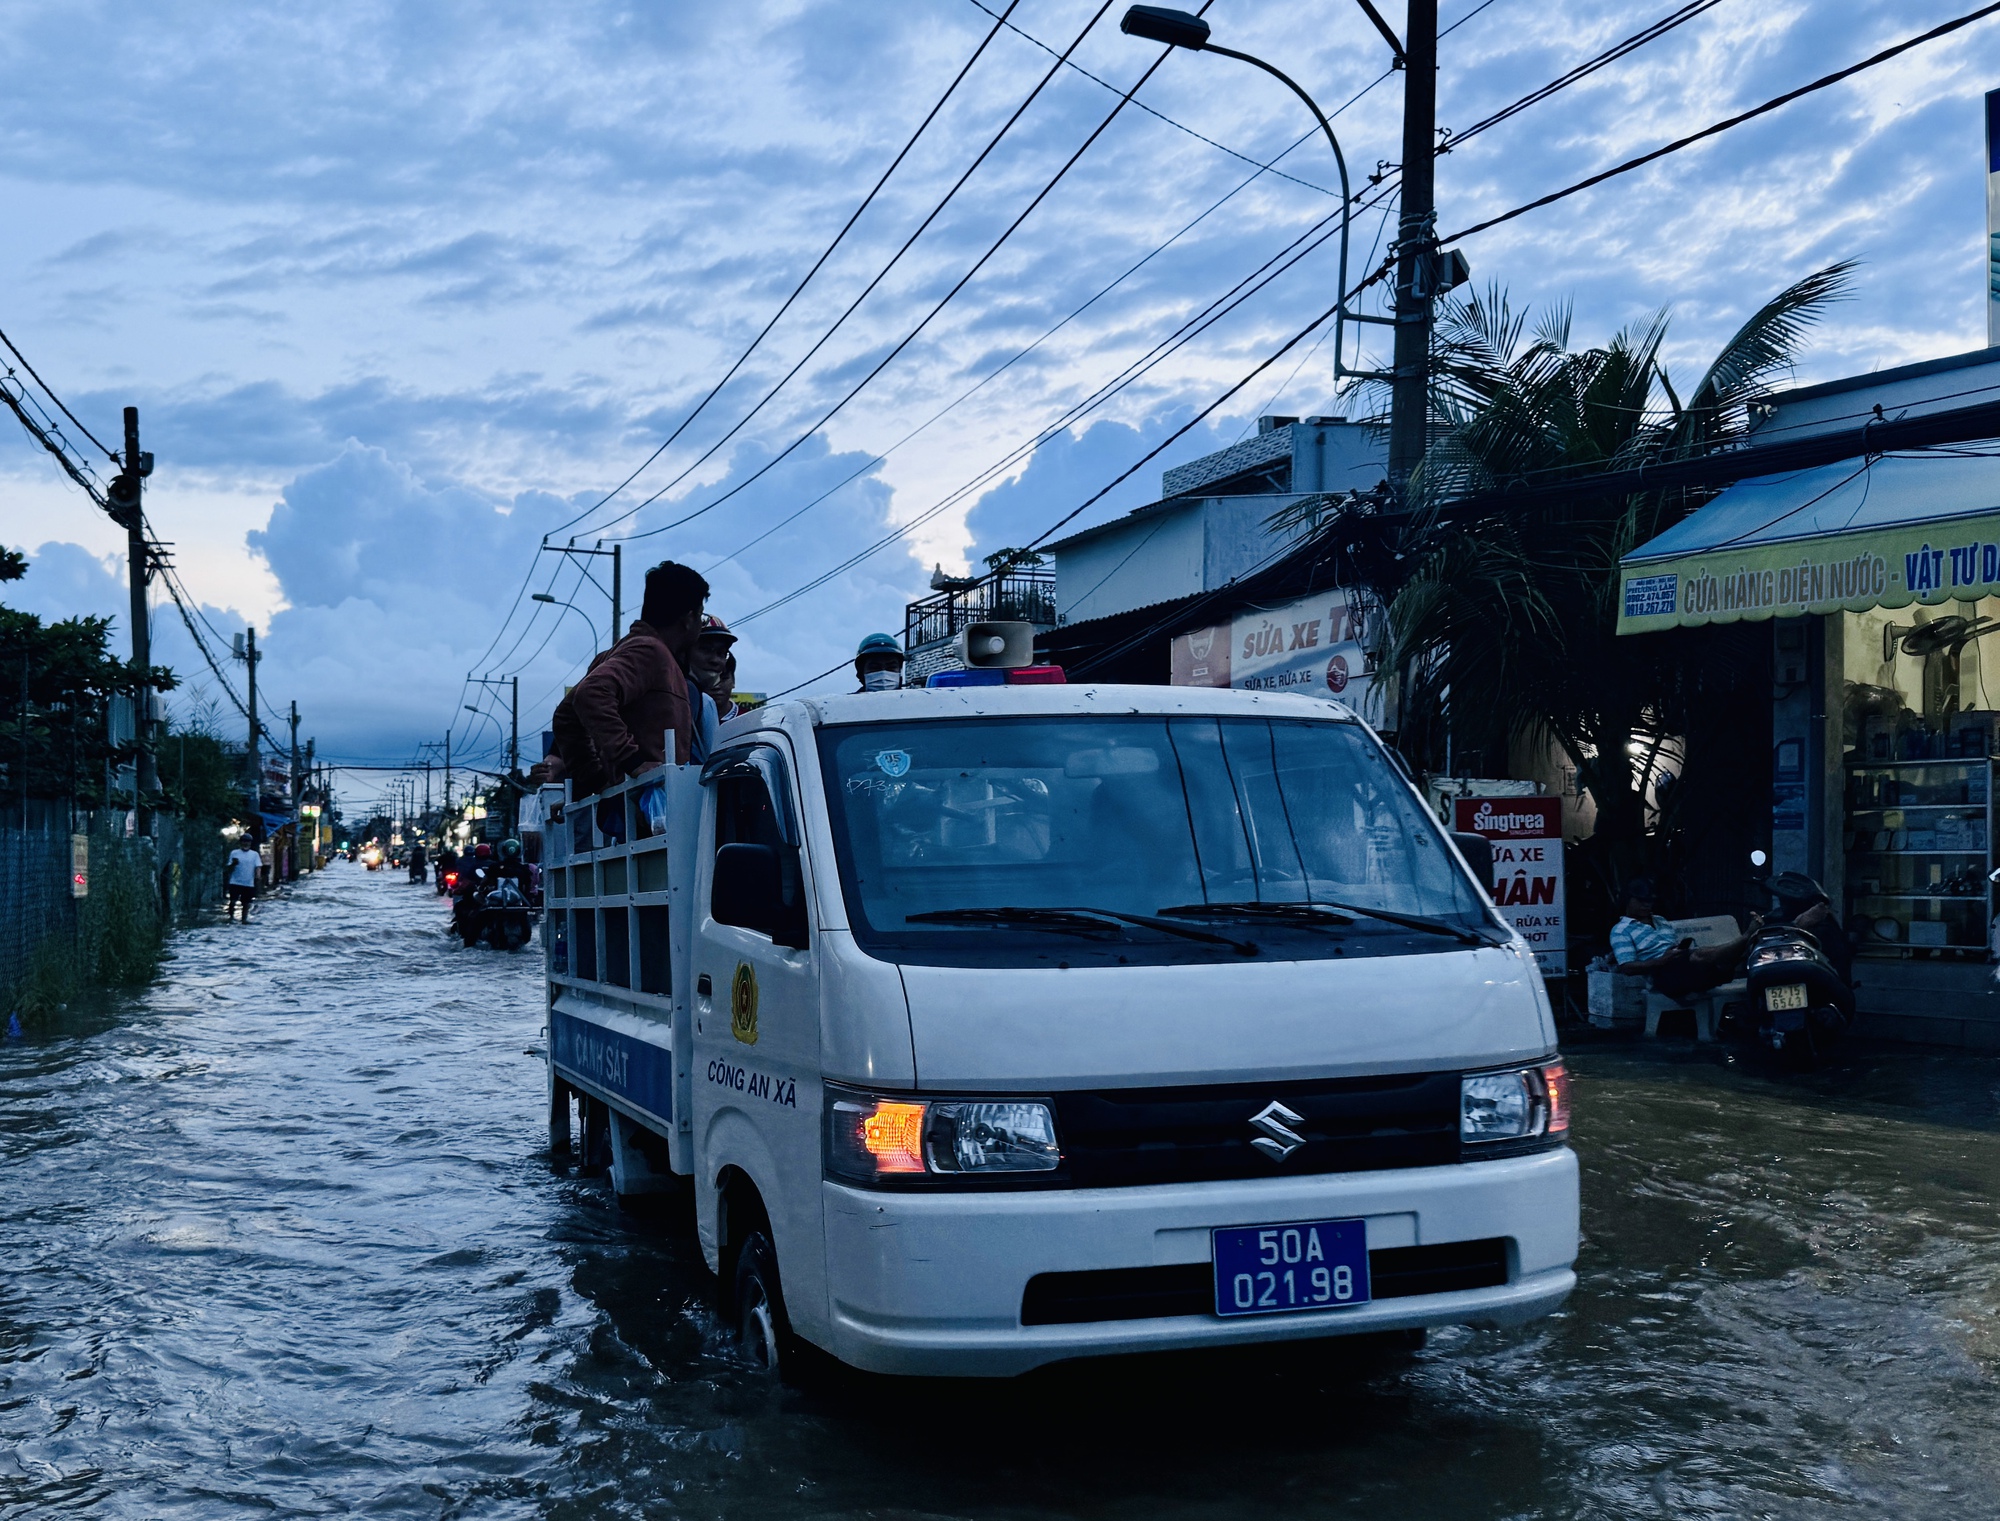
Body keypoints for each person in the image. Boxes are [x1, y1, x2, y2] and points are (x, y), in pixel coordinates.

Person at [551, 561, 707, 793]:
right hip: (651, 809)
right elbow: (591, 694)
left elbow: (566, 716)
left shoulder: (616, 653)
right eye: (701, 617)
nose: (701, 626)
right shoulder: (651, 652)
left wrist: (593, 779)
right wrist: (632, 762)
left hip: (639, 809)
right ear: (688, 618)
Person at [1611, 877, 1761, 1000]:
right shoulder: (1621, 930)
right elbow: (1627, 968)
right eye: (1641, 901)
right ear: (1628, 900)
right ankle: (1746, 938)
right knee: (1699, 956)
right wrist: (1661, 960)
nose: (1647, 905)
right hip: (1664, 977)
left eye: (1649, 901)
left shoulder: (1660, 920)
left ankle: (1740, 948)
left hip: (1686, 969)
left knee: (1721, 963)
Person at [688, 613, 740, 761]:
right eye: (705, 649)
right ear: (685, 652)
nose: (715, 660)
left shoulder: (704, 703)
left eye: (721, 653)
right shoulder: (674, 693)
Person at [225, 838, 261, 922]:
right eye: (244, 841)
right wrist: (233, 864)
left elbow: (258, 867)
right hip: (235, 881)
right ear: (241, 843)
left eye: (248, 842)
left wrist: (257, 878)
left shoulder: (254, 854)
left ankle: (244, 920)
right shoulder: (234, 853)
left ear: (250, 843)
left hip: (248, 882)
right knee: (232, 901)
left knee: (246, 903)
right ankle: (231, 918)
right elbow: (228, 867)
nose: (246, 843)